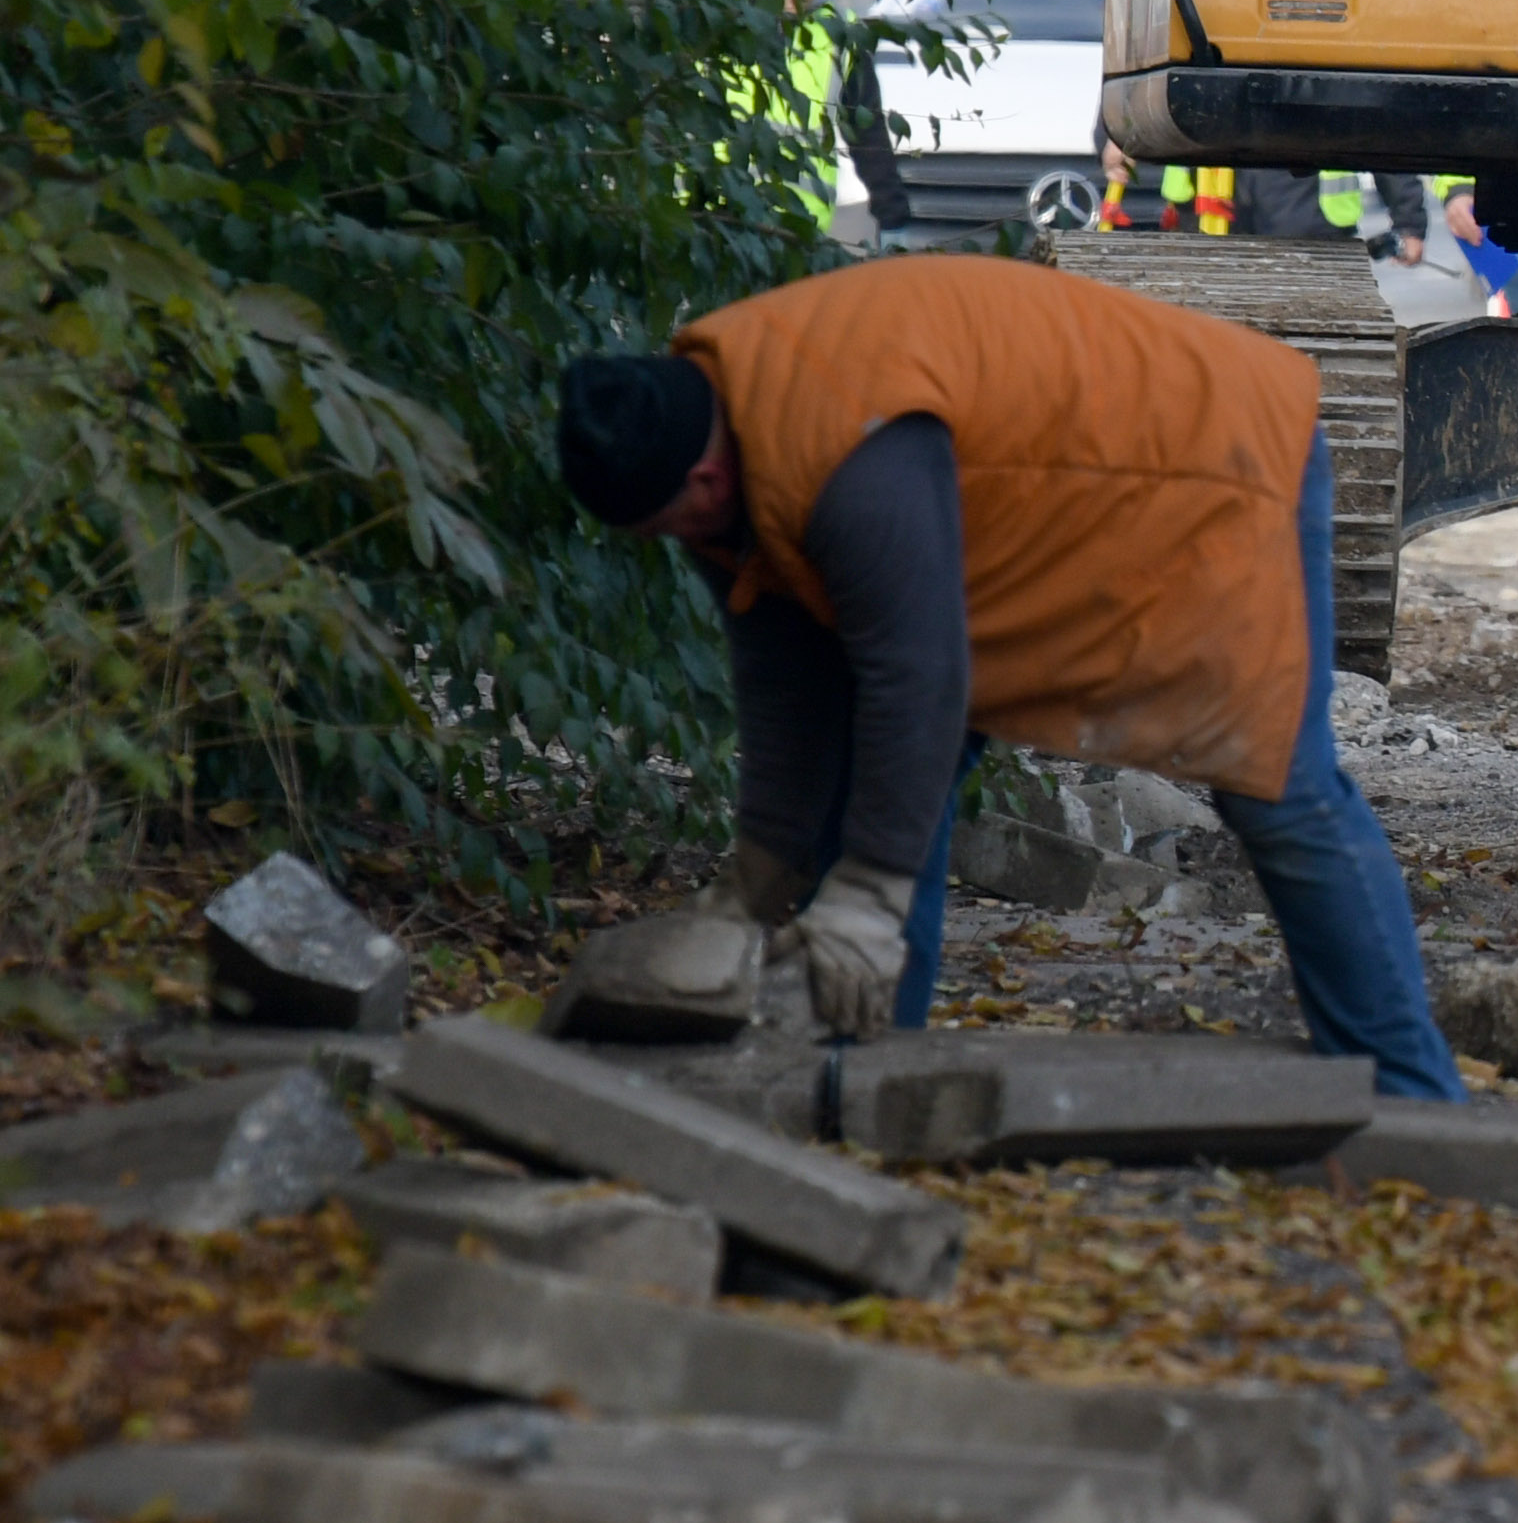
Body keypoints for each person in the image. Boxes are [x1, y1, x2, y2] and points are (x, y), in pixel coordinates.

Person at [547, 251, 1466, 1095]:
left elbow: (918, 677)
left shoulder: (841, 446)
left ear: (701, 484)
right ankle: (852, 1087)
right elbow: (791, 688)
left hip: (1203, 462)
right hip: (1031, 510)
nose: (679, 547)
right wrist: (758, 873)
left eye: (673, 527)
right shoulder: (714, 456)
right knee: (868, 802)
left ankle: (1416, 1094)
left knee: (1279, 786)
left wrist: (867, 897)